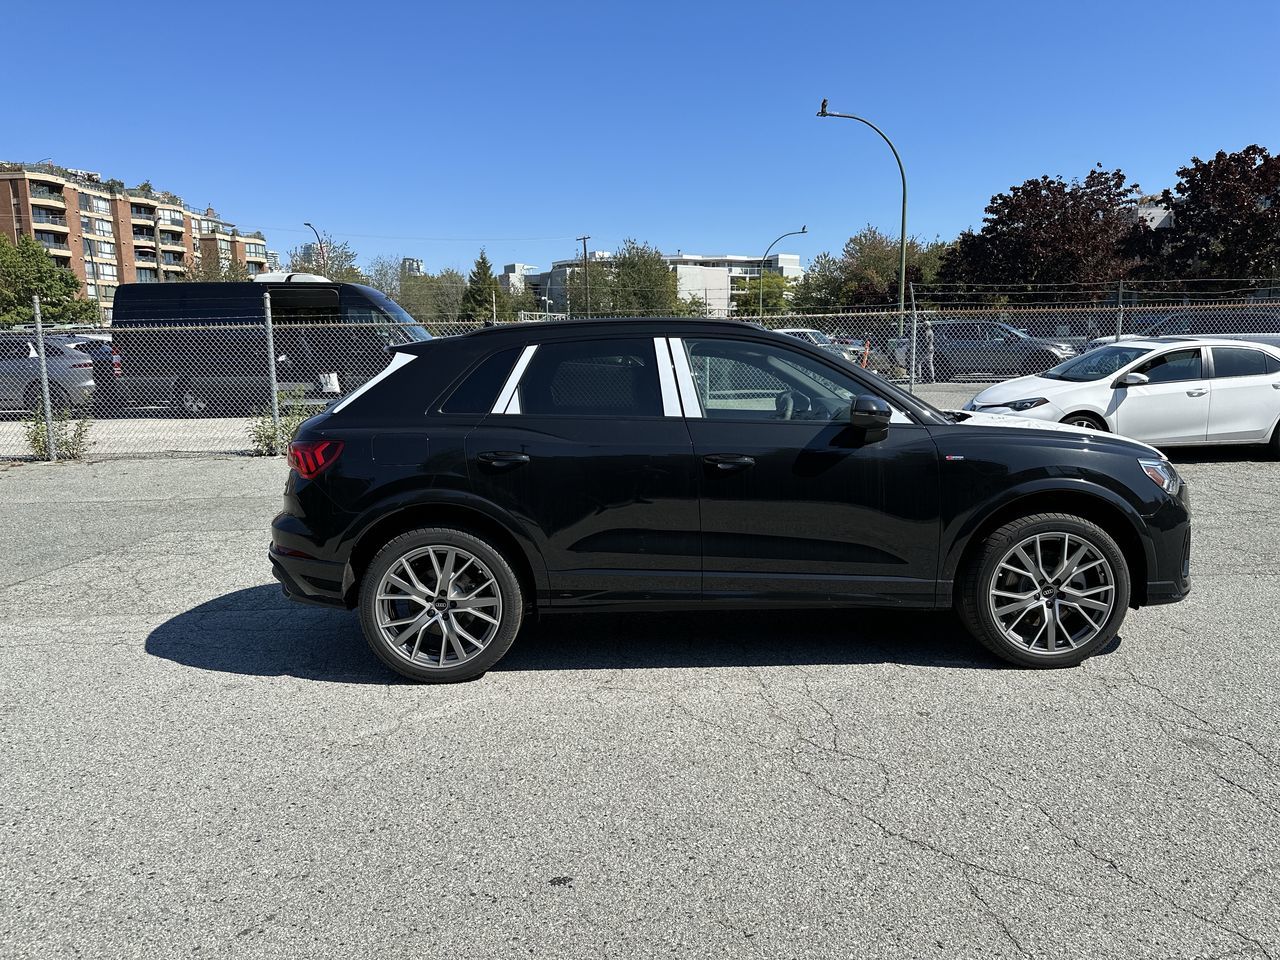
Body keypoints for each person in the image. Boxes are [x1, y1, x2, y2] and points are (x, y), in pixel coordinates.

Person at [921, 319, 936, 383]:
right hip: (929, 348)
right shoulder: (929, 331)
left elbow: (927, 342)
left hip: (928, 349)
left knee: (928, 363)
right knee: (927, 363)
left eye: (925, 325)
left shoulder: (927, 332)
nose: (923, 327)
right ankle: (929, 377)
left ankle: (931, 378)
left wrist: (925, 348)